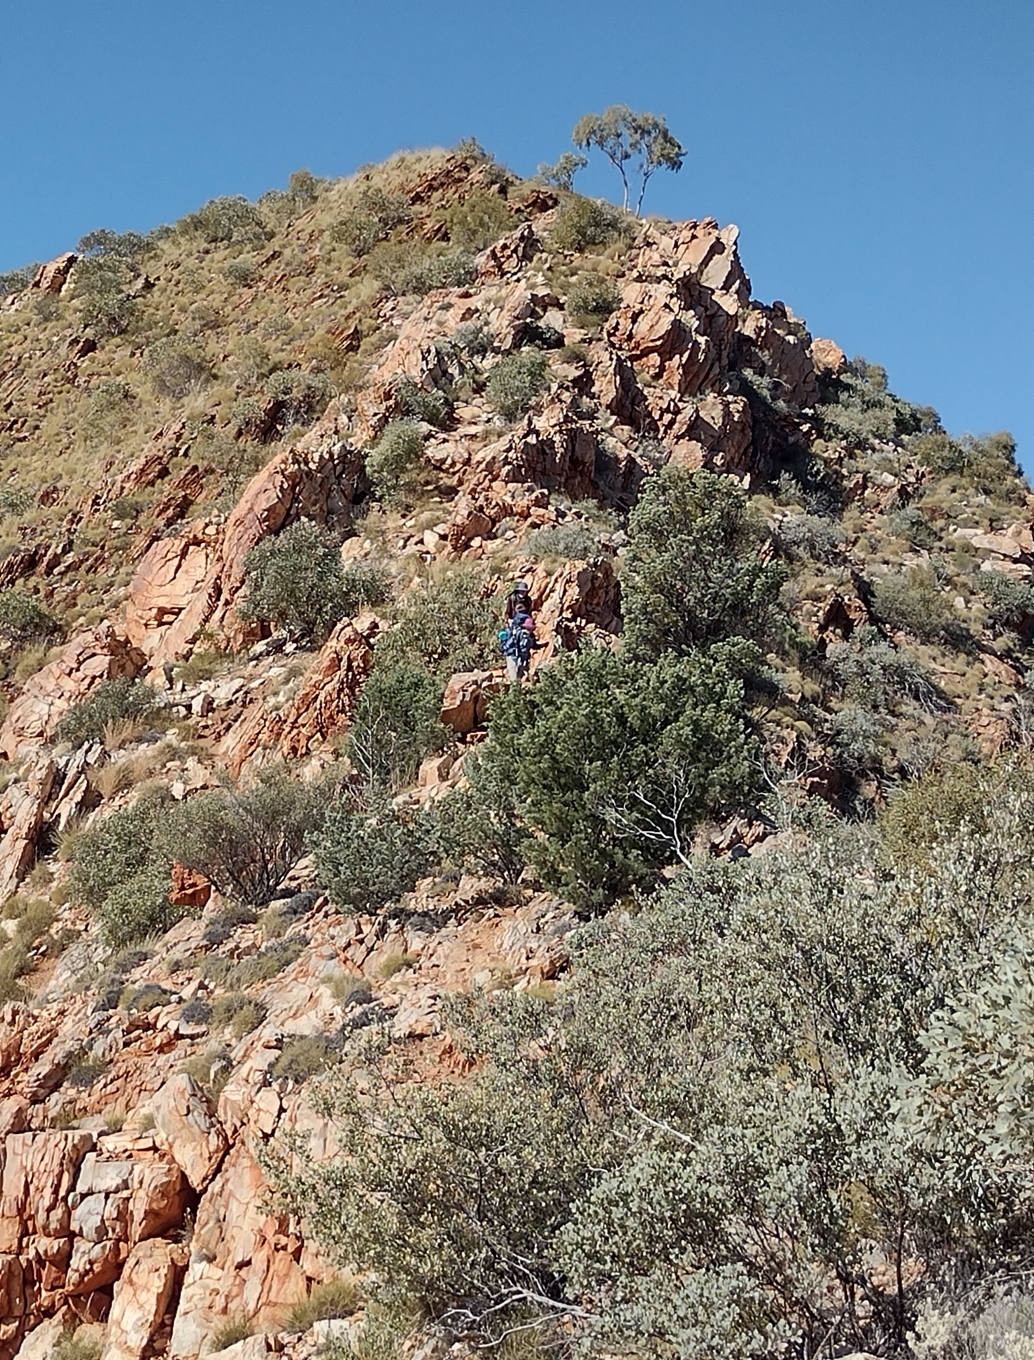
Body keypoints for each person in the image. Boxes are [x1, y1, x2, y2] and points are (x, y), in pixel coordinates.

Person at [499, 610, 544, 684]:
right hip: (515, 657)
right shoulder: (524, 635)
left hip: (514, 657)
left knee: (516, 679)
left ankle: (516, 693)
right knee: (515, 680)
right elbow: (523, 647)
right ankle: (514, 693)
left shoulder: (521, 633)